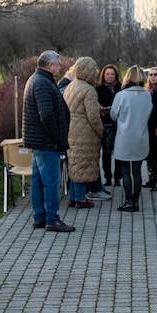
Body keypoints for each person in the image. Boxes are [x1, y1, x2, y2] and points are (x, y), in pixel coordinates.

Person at [22, 50, 74, 232]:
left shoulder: (36, 79)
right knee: (51, 181)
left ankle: (39, 218)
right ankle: (52, 219)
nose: (59, 67)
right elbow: (46, 115)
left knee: (38, 181)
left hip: (39, 141)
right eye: (58, 64)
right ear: (50, 65)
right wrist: (57, 139)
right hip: (46, 141)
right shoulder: (43, 83)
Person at [62, 57, 104, 209]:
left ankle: (73, 197)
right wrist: (101, 132)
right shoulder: (88, 89)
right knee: (83, 165)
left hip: (71, 131)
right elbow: (93, 117)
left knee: (74, 165)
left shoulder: (71, 86)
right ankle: (80, 199)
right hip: (85, 133)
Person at [111, 66, 151, 212]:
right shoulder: (148, 96)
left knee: (126, 171)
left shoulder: (121, 95)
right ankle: (136, 202)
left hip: (124, 138)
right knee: (137, 171)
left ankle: (129, 202)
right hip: (141, 138)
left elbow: (113, 115)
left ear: (128, 77)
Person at [95, 64, 122, 187]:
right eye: (107, 74)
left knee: (119, 152)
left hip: (120, 125)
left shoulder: (121, 88)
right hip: (105, 124)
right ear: (103, 75)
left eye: (112, 74)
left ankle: (117, 177)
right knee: (106, 152)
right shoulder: (98, 89)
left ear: (116, 75)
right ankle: (107, 177)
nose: (110, 76)